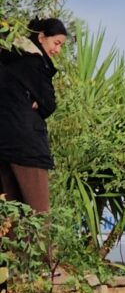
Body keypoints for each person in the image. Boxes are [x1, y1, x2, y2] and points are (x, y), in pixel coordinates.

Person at [0, 18, 67, 213]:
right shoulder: (34, 61)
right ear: (41, 37)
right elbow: (49, 104)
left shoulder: (6, 57)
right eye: (56, 43)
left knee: (9, 218)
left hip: (3, 146)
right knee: (38, 217)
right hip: (28, 149)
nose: (57, 50)